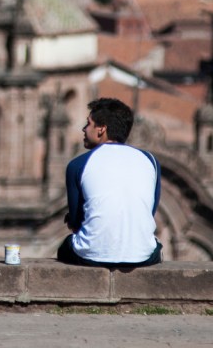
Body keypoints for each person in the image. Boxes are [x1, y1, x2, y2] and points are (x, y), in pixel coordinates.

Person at [57, 97, 163, 269]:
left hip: (90, 257)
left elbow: (77, 223)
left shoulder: (78, 165)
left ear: (101, 129)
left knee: (65, 247)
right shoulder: (151, 161)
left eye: (88, 123)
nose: (84, 129)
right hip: (143, 257)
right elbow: (149, 212)